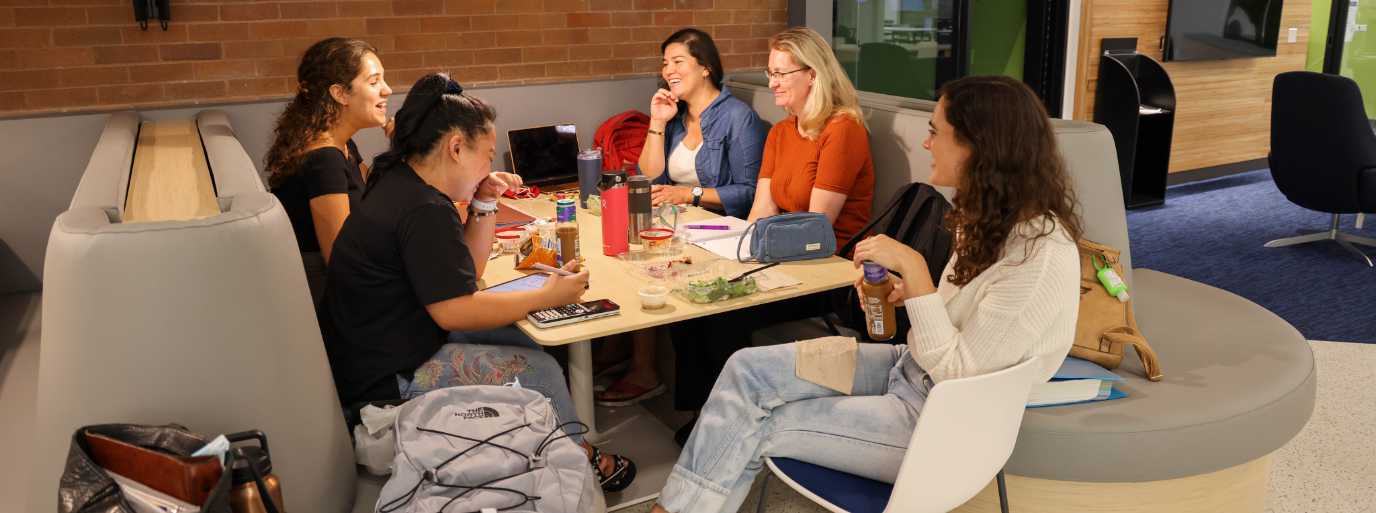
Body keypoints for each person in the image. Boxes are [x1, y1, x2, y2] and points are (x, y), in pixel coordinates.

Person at [650, 75, 1084, 513]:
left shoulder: (1039, 256)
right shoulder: (989, 219)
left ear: (979, 147)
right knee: (746, 369)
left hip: (937, 424)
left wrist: (915, 271)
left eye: (936, 132)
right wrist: (906, 292)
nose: (927, 144)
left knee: (755, 423)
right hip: (908, 368)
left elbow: (957, 371)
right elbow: (956, 323)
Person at [319, 73, 635, 493]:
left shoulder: (400, 181)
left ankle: (553, 445)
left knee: (524, 338)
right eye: (486, 157)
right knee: (539, 368)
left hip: (381, 345)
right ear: (455, 148)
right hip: (384, 378)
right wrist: (547, 295)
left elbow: (466, 271)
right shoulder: (423, 209)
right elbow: (455, 308)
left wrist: (484, 201)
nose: (491, 167)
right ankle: (575, 464)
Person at [665, 26, 876, 444]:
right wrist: (732, 257)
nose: (772, 82)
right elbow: (761, 211)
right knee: (689, 300)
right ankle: (707, 411)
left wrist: (753, 255)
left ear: (812, 74)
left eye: (782, 73)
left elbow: (816, 227)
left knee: (722, 314)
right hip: (780, 257)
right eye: (770, 72)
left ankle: (732, 422)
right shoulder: (782, 131)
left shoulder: (843, 129)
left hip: (828, 271)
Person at [595, 27, 770, 408]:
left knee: (643, 264)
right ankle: (634, 360)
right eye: (664, 64)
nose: (668, 70)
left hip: (720, 230)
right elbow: (649, 175)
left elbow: (750, 191)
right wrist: (657, 122)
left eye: (678, 62)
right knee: (622, 256)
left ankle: (647, 370)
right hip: (679, 227)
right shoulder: (675, 119)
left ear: (705, 67)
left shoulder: (739, 118)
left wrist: (687, 193)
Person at [266, 37, 393, 305]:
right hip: (337, 313)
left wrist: (402, 150)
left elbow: (380, 200)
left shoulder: (342, 144)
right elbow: (342, 263)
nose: (387, 90)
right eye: (374, 82)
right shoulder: (325, 160)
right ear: (340, 94)